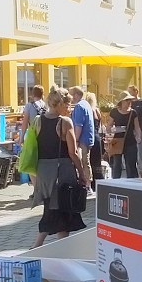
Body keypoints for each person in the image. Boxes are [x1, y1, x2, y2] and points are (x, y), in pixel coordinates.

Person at [31, 88, 89, 248]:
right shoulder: (64, 122)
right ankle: (37, 246)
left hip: (43, 170)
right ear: (61, 104)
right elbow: (72, 152)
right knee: (58, 207)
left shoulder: (38, 120)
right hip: (61, 170)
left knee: (58, 208)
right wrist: (82, 173)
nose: (70, 109)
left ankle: (63, 246)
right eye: (68, 105)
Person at [68, 86, 96, 185]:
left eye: (70, 94)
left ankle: (87, 184)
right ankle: (87, 183)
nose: (69, 97)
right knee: (86, 162)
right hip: (88, 138)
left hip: (82, 139)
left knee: (83, 162)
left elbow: (78, 126)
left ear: (76, 95)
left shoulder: (79, 107)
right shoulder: (86, 104)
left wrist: (75, 140)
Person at [108, 93, 140, 179]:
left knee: (131, 164)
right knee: (117, 165)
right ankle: (116, 184)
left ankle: (132, 184)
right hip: (117, 140)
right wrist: (115, 130)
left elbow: (137, 127)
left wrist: (138, 137)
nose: (129, 102)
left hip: (130, 141)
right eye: (127, 100)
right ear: (121, 101)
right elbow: (109, 126)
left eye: (130, 100)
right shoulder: (114, 112)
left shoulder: (133, 113)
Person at [85, 91, 105, 190]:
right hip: (97, 137)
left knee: (89, 162)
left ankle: (92, 185)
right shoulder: (97, 111)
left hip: (90, 137)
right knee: (97, 163)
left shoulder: (87, 110)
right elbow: (100, 125)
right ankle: (100, 183)